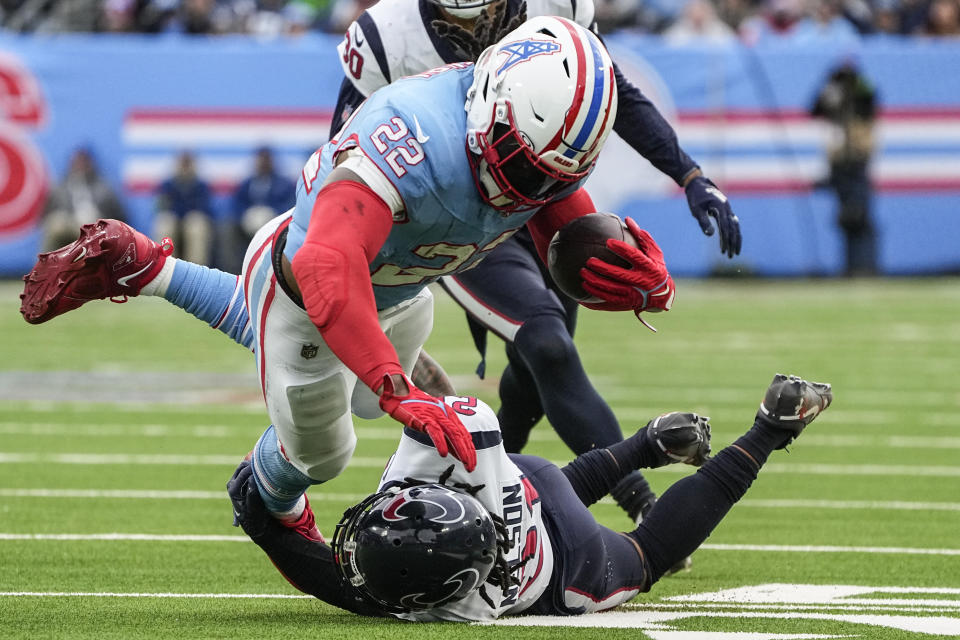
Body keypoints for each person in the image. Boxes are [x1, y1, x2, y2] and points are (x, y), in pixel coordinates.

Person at [21, 18, 672, 542]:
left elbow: (555, 203)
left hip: (398, 286)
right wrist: (393, 389)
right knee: (323, 455)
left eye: (548, 178)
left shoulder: (526, 138)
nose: (525, 191)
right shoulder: (412, 136)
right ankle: (261, 496)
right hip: (310, 294)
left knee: (405, 401)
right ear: (492, 105)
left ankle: (148, 266)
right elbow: (326, 265)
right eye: (524, 168)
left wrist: (605, 262)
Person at [332, 0, 741, 536]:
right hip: (457, 214)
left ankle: (482, 500)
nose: (473, 28)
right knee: (548, 346)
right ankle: (638, 499)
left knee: (530, 380)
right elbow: (344, 162)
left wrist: (688, 173)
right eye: (453, 19)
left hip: (548, 191)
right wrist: (383, 294)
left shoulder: (560, 6)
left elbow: (610, 90)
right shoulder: (387, 34)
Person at [227, 373, 832, 620]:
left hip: (558, 564)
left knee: (646, 556)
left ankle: (767, 430)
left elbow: (315, 569)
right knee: (563, 492)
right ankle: (663, 443)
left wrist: (263, 510)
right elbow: (311, 564)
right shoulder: (447, 465)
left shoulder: (430, 605)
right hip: (535, 508)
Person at [810, 60, 878, 276]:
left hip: (858, 160)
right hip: (839, 161)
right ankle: (850, 267)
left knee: (860, 215)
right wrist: (831, 87)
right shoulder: (833, 98)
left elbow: (869, 101)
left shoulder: (863, 94)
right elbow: (814, 110)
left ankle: (865, 265)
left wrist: (854, 81)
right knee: (845, 218)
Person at [41, 146, 125, 251]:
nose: (80, 165)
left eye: (84, 162)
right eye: (77, 162)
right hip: (67, 224)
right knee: (55, 223)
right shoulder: (60, 187)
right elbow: (46, 214)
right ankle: (47, 265)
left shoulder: (105, 188)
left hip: (94, 227)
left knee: (90, 220)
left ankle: (93, 266)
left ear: (91, 163)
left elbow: (119, 216)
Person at [229, 146, 296, 271]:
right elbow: (237, 204)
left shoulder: (283, 183)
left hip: (274, 223)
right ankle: (236, 268)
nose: (263, 162)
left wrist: (272, 215)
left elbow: (289, 205)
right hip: (247, 223)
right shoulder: (247, 183)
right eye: (261, 159)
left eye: (266, 159)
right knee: (228, 228)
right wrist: (245, 215)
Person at [155, 150, 216, 265]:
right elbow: (160, 207)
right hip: (174, 222)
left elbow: (207, 210)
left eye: (188, 163)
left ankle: (197, 269)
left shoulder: (201, 186)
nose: (185, 167)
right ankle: (164, 265)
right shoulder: (167, 185)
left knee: (196, 223)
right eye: (183, 163)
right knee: (165, 222)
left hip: (192, 224)